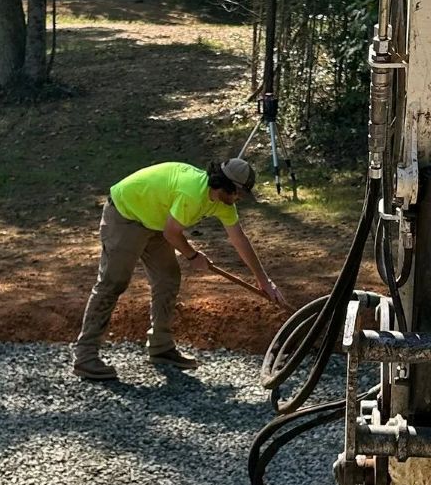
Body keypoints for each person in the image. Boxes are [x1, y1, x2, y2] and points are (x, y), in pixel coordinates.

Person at [73, 156, 285, 382]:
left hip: (156, 220)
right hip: (126, 214)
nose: (238, 198)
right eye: (238, 192)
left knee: (167, 278)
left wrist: (263, 280)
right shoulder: (192, 193)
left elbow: (239, 239)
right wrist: (193, 255)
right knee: (113, 282)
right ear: (223, 185)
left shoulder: (224, 203)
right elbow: (172, 233)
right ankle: (85, 356)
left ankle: (160, 347)